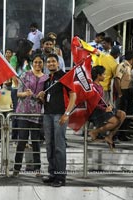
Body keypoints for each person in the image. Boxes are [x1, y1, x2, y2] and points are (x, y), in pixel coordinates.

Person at [37, 53, 76, 187]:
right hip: (47, 115)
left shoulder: (65, 77)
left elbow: (73, 95)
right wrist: (41, 97)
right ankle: (52, 173)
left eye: (53, 61)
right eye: (49, 62)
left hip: (60, 115)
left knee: (59, 146)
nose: (51, 64)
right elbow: (45, 100)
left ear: (58, 63)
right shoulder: (47, 80)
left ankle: (60, 176)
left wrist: (67, 113)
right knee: (49, 146)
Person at [12, 54, 48, 176]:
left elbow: (46, 99)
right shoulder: (25, 75)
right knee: (22, 140)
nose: (38, 65)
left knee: (36, 141)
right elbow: (18, 94)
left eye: (40, 62)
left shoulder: (46, 78)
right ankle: (16, 168)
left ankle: (37, 168)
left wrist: (42, 98)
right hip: (23, 113)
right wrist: (25, 94)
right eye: (36, 62)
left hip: (37, 114)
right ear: (32, 63)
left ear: (43, 64)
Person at [88, 66, 126, 151]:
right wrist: (104, 109)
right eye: (104, 74)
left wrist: (109, 106)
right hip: (96, 110)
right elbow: (93, 103)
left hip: (103, 107)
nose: (105, 76)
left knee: (122, 114)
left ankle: (110, 136)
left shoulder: (100, 86)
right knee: (115, 121)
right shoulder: (92, 87)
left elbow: (102, 101)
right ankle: (95, 132)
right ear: (98, 75)